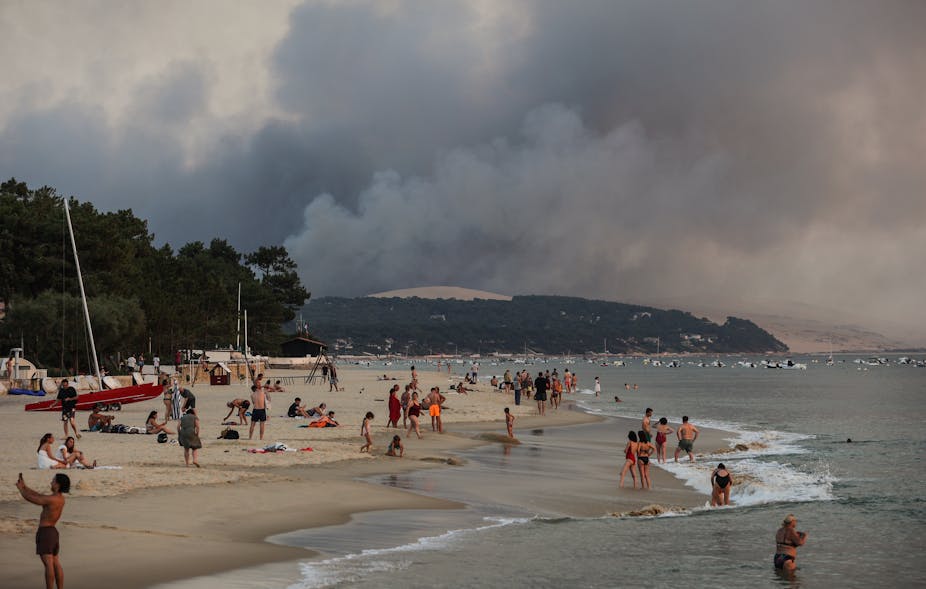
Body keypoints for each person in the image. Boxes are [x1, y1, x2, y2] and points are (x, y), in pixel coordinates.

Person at [16, 472, 69, 589]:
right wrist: (25, 487)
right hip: (53, 532)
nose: (51, 482)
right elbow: (38, 495)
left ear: (58, 485)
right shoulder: (59, 498)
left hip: (46, 533)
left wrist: (21, 490)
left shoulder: (52, 499)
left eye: (53, 481)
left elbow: (32, 499)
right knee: (55, 563)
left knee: (48, 564)